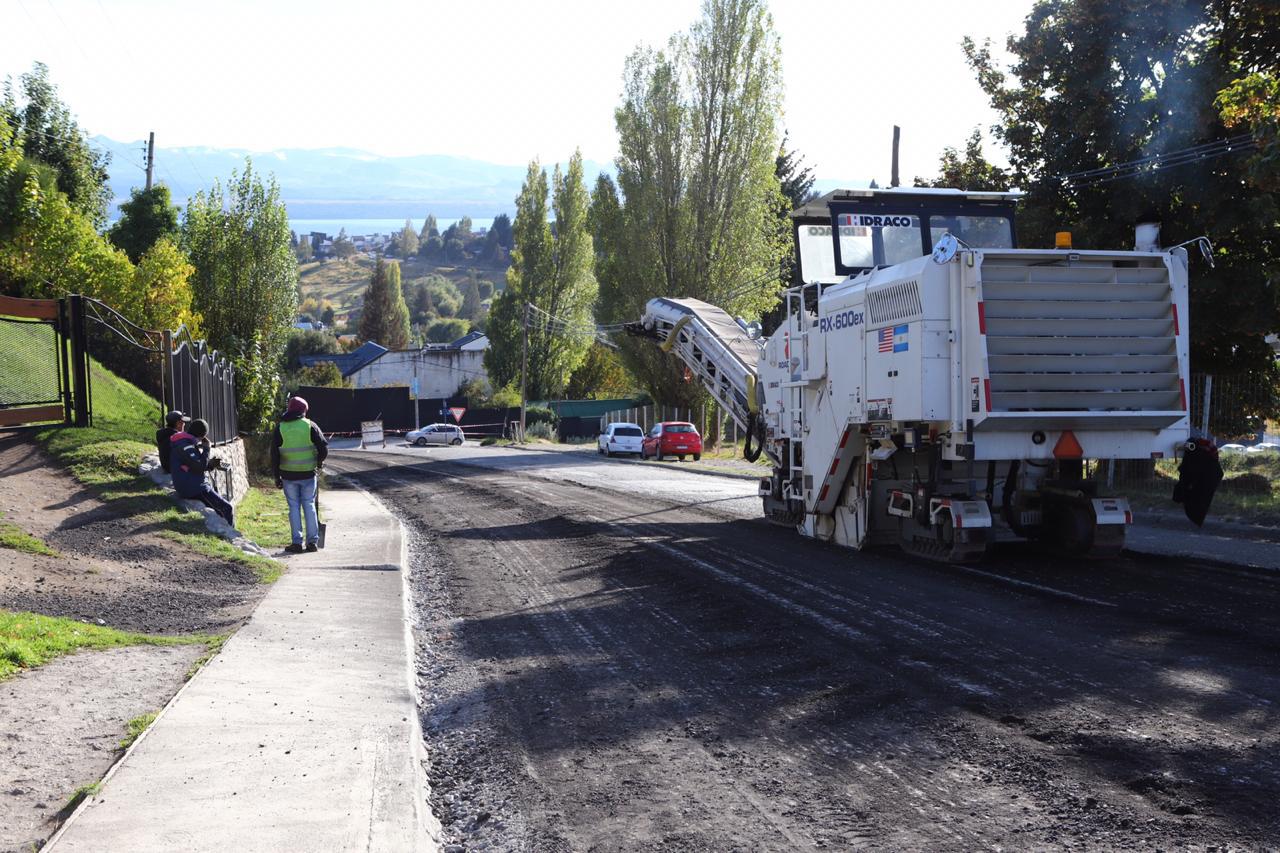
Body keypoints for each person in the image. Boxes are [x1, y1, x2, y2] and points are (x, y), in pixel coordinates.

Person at [271, 396, 328, 554]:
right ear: (304, 410)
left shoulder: (280, 428)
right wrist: (318, 463)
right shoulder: (310, 426)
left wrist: (277, 477)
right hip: (308, 474)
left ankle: (296, 543)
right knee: (309, 505)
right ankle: (312, 542)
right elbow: (323, 449)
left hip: (288, 476)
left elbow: (274, 455)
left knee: (294, 507)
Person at [169, 418, 235, 527]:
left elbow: (194, 464)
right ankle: (230, 535)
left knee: (220, 503)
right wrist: (206, 449)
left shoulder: (186, 442)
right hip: (194, 488)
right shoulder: (185, 445)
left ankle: (225, 530)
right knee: (226, 508)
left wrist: (209, 465)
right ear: (201, 435)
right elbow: (198, 467)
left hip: (192, 483)